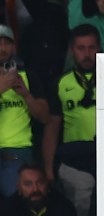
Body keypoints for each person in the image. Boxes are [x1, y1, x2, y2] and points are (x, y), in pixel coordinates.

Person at [42, 24, 99, 216]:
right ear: (71, 50)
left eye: (92, 47)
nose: (87, 54)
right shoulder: (61, 82)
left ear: (100, 48)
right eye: (81, 48)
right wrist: (48, 169)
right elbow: (52, 126)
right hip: (75, 160)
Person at [0, 23, 49, 198]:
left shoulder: (27, 77)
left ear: (14, 46)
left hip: (17, 153)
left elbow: (44, 117)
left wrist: (27, 96)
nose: (2, 48)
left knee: (18, 206)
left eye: (7, 43)